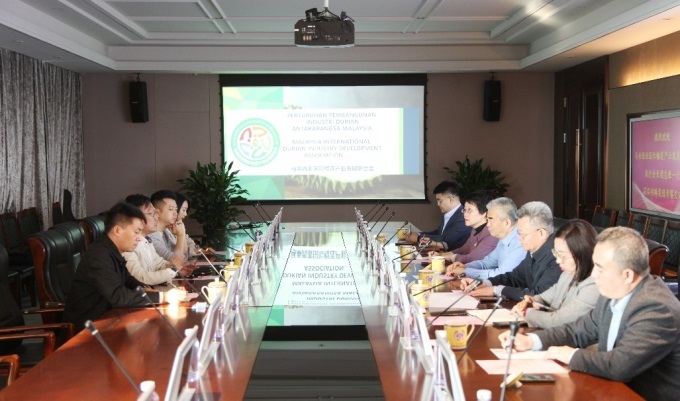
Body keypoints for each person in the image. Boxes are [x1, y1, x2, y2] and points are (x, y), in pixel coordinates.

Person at [499, 227, 680, 401]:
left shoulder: (655, 308)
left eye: (600, 268)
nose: (593, 274)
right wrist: (531, 341)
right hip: (611, 389)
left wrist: (571, 355)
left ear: (627, 275)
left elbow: (620, 365)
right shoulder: (614, 293)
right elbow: (577, 331)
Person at [63, 202, 153, 330]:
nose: (140, 238)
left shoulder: (110, 250)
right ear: (117, 230)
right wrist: (159, 297)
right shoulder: (98, 256)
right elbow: (118, 296)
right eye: (136, 232)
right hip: (88, 329)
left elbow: (128, 279)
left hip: (107, 320)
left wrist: (146, 289)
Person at [460, 201, 561, 301]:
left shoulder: (558, 257)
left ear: (541, 233)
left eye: (523, 234)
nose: (519, 238)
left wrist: (496, 290)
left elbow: (539, 295)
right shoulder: (533, 250)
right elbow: (514, 278)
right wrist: (484, 283)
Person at [511, 219, 600, 328]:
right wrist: (530, 302)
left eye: (563, 256)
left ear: (582, 254)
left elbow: (557, 321)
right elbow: (545, 297)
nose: (558, 261)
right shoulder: (567, 274)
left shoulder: (594, 285)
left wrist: (526, 313)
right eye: (556, 254)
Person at [445, 197, 525, 279]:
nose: (488, 225)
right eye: (487, 220)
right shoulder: (504, 238)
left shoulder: (520, 242)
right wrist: (465, 266)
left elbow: (501, 275)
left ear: (506, 222)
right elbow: (487, 263)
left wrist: (466, 271)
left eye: (491, 220)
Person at [123, 194, 193, 285]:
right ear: (135, 217)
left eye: (155, 213)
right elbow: (139, 277)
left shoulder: (146, 240)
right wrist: (172, 270)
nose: (156, 217)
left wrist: (176, 268)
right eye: (152, 214)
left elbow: (158, 263)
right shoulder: (127, 245)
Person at [429, 190, 498, 265]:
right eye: (464, 210)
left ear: (484, 213)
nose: (465, 214)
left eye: (469, 210)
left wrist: (450, 257)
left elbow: (473, 259)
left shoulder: (492, 233)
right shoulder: (475, 230)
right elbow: (464, 250)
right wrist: (441, 255)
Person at [407, 181, 470, 251]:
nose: (438, 204)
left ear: (450, 199)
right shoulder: (448, 214)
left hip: (455, 255)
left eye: (440, 201)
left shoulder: (463, 216)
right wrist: (419, 234)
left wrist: (419, 238)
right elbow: (439, 232)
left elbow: (447, 239)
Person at [149, 190, 188, 261]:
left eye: (176, 209)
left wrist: (181, 234)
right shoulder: (152, 236)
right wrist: (181, 236)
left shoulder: (165, 232)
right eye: (171, 209)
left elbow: (185, 254)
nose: (175, 213)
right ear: (157, 212)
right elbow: (176, 261)